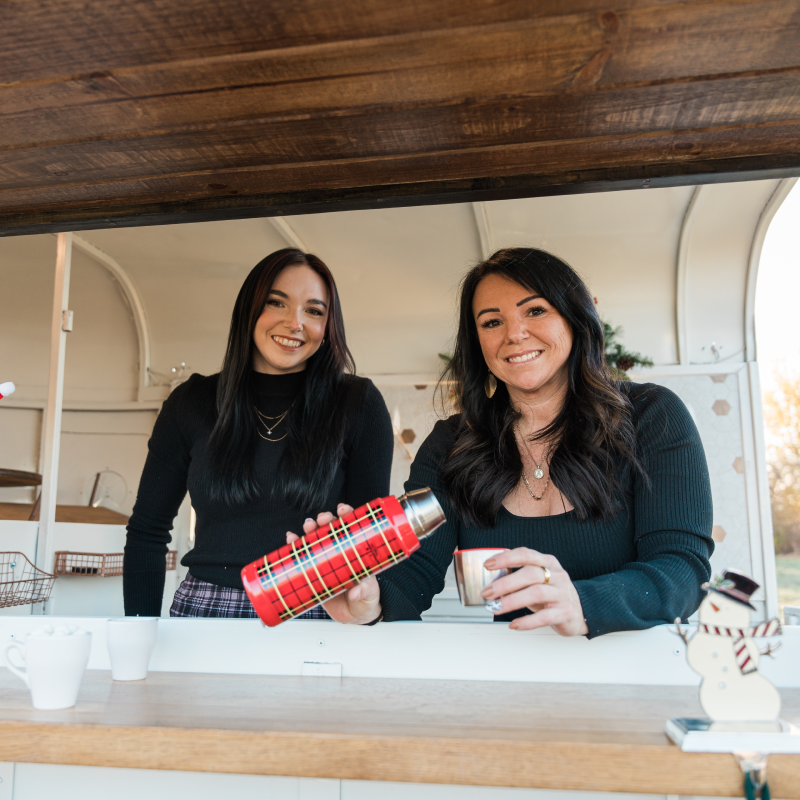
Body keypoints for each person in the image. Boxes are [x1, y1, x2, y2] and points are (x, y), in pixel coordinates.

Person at [313, 247, 714, 636]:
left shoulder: (652, 415)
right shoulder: (450, 444)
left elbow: (681, 568)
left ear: (576, 317)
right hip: (512, 682)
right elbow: (414, 570)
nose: (515, 334)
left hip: (633, 677)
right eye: (491, 322)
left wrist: (582, 603)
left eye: (536, 310)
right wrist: (369, 599)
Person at [123, 248, 393, 618]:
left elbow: (372, 542)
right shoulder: (192, 401)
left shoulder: (357, 402)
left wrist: (369, 617)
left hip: (318, 612)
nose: (294, 323)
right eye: (276, 303)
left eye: (314, 311)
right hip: (205, 611)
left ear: (327, 327)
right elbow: (147, 531)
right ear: (249, 310)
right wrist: (141, 633)